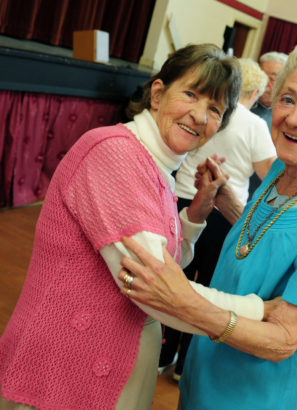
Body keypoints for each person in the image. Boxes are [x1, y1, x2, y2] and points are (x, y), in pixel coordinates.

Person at [0, 44, 269, 410]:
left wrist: (193, 218)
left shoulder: (157, 167)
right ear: (157, 94)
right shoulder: (114, 154)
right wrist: (261, 312)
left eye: (214, 109)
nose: (199, 115)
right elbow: (157, 288)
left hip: (111, 361)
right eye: (190, 94)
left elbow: (166, 263)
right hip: (62, 368)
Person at [117, 38, 297, 409]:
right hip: (207, 374)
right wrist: (225, 201)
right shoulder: (285, 167)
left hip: (254, 395)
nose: (294, 117)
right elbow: (268, 237)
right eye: (287, 98)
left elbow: (283, 339)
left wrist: (184, 303)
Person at [159, 58, 277, 379]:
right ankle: (185, 366)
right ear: (253, 92)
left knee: (175, 275)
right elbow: (271, 178)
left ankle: (162, 352)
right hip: (224, 211)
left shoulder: (209, 114)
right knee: (208, 286)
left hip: (183, 196)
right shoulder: (254, 125)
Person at [250, 51, 288, 130]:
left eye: (272, 79)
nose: (264, 83)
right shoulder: (242, 104)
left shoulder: (287, 117)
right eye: (261, 76)